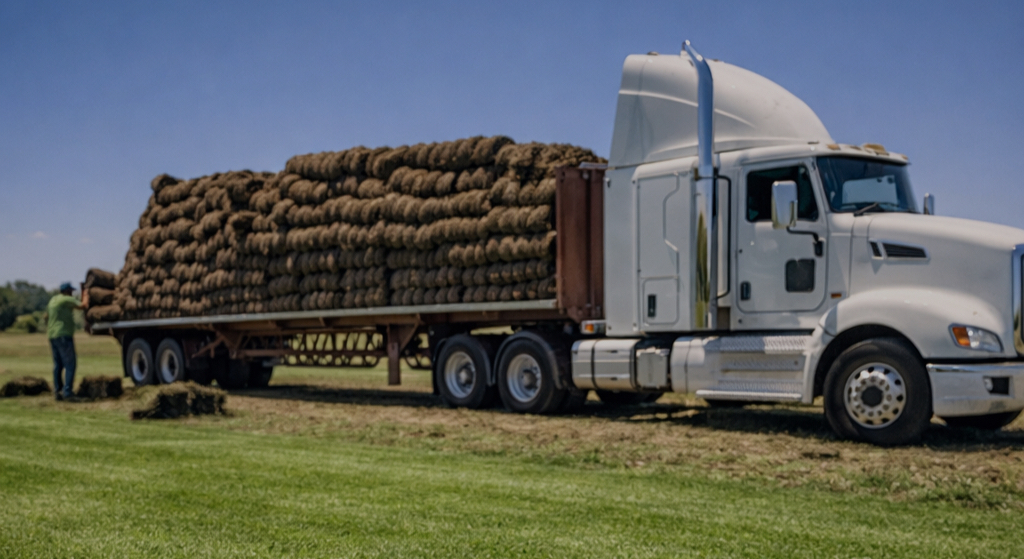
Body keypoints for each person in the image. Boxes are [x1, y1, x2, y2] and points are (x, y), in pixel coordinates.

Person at [47, 282, 88, 401]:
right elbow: (83, 305)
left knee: (58, 365)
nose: (72, 293)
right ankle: (68, 392)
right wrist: (85, 293)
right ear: (67, 291)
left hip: (52, 335)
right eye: (71, 291)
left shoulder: (53, 300)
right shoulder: (66, 299)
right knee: (70, 364)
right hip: (64, 335)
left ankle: (57, 391)